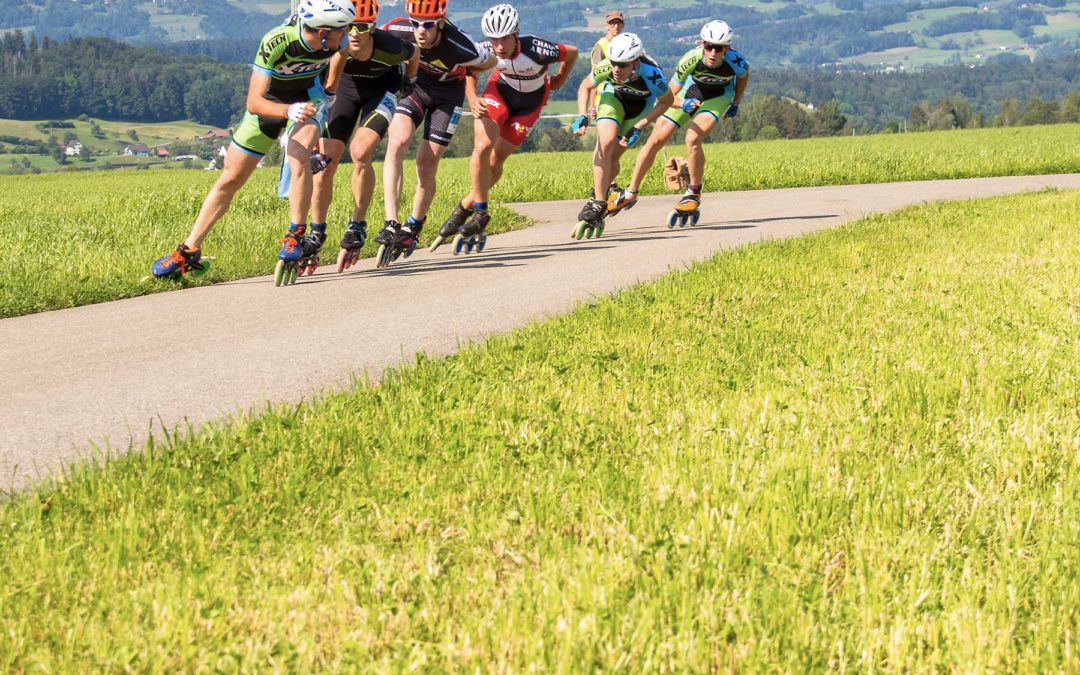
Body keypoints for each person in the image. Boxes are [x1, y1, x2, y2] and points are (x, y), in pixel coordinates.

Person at [150, 0, 354, 279]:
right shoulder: (277, 42)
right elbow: (254, 101)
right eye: (342, 29)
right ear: (321, 31)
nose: (347, 34)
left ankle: (295, 234)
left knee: (298, 154)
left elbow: (341, 55)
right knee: (230, 178)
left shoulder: (336, 41)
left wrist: (330, 88)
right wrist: (286, 110)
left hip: (309, 99)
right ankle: (189, 249)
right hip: (270, 104)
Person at [431, 3, 578, 253]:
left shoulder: (537, 49)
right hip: (499, 92)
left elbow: (572, 52)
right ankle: (480, 212)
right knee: (482, 147)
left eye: (504, 39)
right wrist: (472, 97)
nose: (499, 46)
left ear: (515, 34)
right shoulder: (487, 50)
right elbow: (470, 70)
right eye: (493, 39)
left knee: (495, 163)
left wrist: (560, 79)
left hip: (530, 105)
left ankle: (464, 206)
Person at [374, 0, 497, 260]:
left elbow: (490, 61)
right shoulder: (398, 29)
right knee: (397, 141)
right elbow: (374, 43)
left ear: (440, 23)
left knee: (426, 161)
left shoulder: (459, 45)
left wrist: (468, 71)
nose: (420, 30)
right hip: (417, 87)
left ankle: (414, 224)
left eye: (428, 25)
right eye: (415, 23)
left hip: (448, 95)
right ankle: (391, 222)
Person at [308, 0, 420, 272]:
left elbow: (413, 53)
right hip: (346, 90)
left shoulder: (389, 46)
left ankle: (357, 225)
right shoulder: (335, 44)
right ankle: (316, 231)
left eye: (362, 27)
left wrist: (410, 82)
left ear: (372, 28)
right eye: (349, 27)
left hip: (382, 90)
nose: (355, 33)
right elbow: (326, 87)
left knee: (360, 153)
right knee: (324, 164)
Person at [607, 20, 749, 224]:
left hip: (719, 95)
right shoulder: (690, 59)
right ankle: (631, 192)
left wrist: (735, 102)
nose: (712, 53)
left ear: (726, 48)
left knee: (692, 138)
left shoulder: (738, 61)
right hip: (691, 91)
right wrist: (641, 125)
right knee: (655, 140)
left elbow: (743, 77)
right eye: (708, 46)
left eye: (718, 48)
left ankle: (693, 192)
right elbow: (668, 97)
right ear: (702, 44)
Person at [570, 32, 673, 237]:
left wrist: (641, 126)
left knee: (614, 156)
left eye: (623, 65)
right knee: (605, 144)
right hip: (613, 98)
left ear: (635, 62)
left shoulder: (652, 74)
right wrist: (582, 115)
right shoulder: (607, 67)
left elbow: (667, 101)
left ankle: (599, 192)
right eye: (614, 63)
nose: (616, 69)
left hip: (639, 108)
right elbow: (585, 85)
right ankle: (598, 202)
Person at [588, 11, 624, 119]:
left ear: (623, 25)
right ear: (607, 26)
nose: (616, 26)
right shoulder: (601, 46)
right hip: (603, 100)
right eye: (612, 23)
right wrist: (593, 105)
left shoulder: (623, 44)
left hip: (621, 98)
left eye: (619, 23)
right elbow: (594, 76)